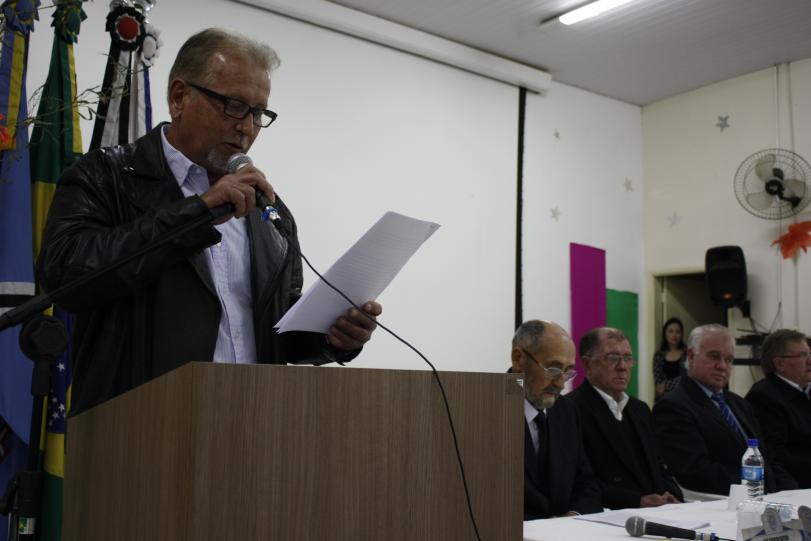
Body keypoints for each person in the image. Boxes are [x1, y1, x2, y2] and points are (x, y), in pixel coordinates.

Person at [36, 28, 382, 414]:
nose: (246, 127)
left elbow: (275, 333)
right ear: (179, 97)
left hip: (252, 426)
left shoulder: (269, 211)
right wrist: (198, 212)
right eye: (233, 105)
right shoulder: (107, 175)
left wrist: (330, 338)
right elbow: (65, 275)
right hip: (140, 426)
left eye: (258, 113)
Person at [652, 324, 797, 495]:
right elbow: (696, 472)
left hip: (764, 497)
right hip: (723, 502)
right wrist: (756, 489)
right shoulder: (673, 407)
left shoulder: (740, 404)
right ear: (691, 356)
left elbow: (766, 458)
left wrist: (791, 493)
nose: (722, 366)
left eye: (728, 360)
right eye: (714, 357)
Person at [569, 327, 682, 509]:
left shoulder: (640, 409)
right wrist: (637, 501)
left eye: (628, 358)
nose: (622, 367)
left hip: (660, 512)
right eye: (612, 358)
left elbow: (660, 467)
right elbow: (579, 482)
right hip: (610, 515)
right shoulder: (570, 410)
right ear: (587, 364)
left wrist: (673, 496)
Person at [509, 320, 602, 520]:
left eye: (568, 372)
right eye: (553, 369)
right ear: (519, 359)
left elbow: (586, 484)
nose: (560, 383)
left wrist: (572, 517)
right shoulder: (485, 410)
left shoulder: (567, 411)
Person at [746, 329, 811, 488]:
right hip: (796, 488)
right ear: (780, 364)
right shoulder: (763, 397)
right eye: (803, 355)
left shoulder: (804, 391)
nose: (810, 360)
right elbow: (776, 456)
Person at [652, 317, 686, 400]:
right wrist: (663, 386)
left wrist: (665, 385)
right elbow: (659, 386)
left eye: (677, 332)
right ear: (665, 334)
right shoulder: (658, 355)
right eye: (671, 332)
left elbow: (687, 378)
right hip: (664, 399)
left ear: (681, 334)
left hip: (684, 397)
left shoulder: (687, 353)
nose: (674, 335)